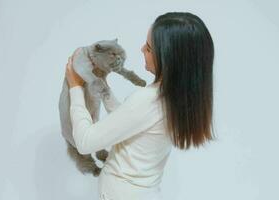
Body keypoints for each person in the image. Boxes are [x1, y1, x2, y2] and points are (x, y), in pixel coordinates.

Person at [65, 12, 216, 200]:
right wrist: (103, 87)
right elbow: (129, 120)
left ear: (169, 58)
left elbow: (85, 142)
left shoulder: (149, 100)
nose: (142, 49)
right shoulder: (178, 99)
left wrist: (75, 87)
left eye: (149, 48)